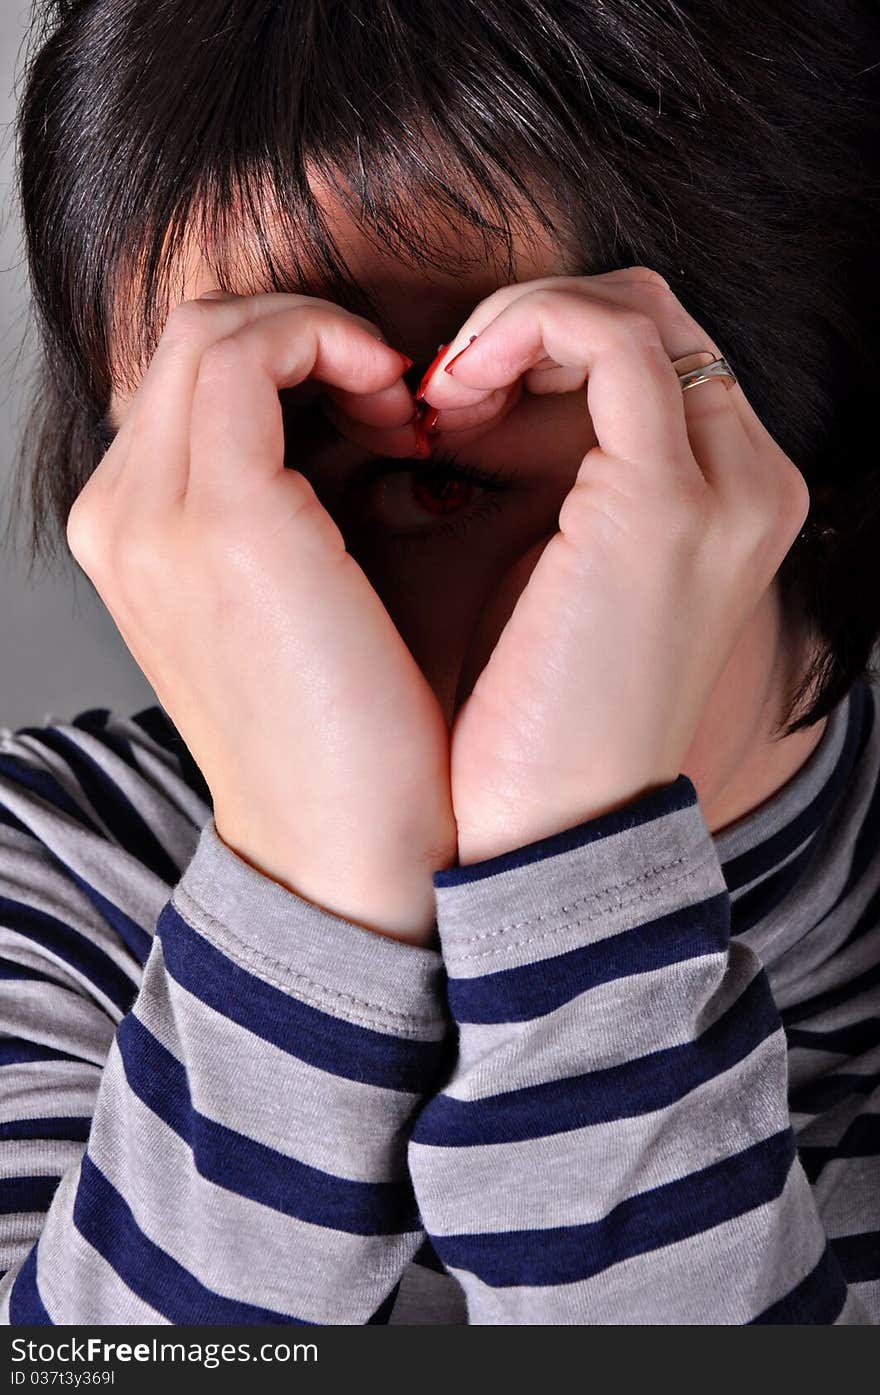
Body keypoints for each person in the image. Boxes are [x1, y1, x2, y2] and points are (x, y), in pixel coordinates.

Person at [0, 0, 878, 1325]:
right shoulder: (47, 877)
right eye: (223, 482)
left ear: (769, 454)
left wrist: (578, 883)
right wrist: (314, 893)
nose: (307, 608)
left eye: (440, 484)